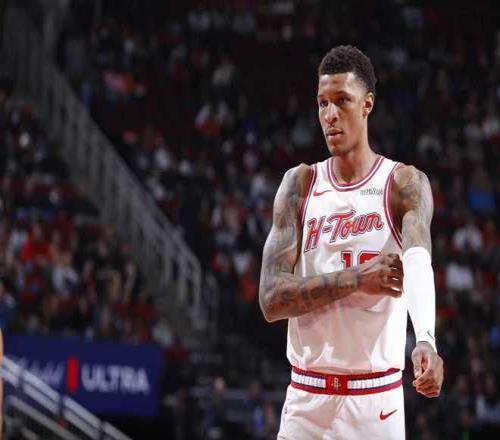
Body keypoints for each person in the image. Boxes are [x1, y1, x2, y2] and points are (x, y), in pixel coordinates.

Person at [258, 45, 444, 439]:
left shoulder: (402, 184)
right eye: (322, 103)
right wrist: (358, 278)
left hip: (376, 402)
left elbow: (417, 261)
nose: (330, 114)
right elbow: (271, 299)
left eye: (342, 100)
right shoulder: (300, 184)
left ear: (367, 104)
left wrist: (426, 339)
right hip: (306, 400)